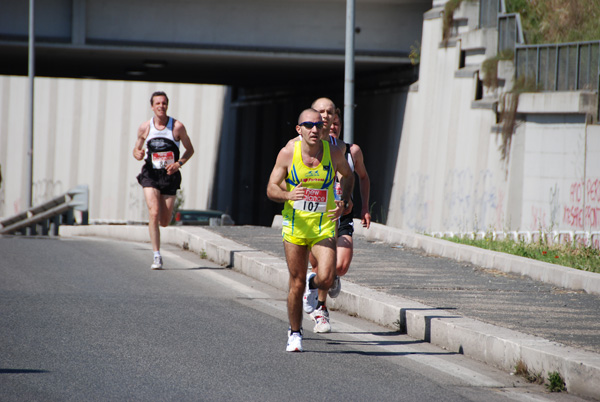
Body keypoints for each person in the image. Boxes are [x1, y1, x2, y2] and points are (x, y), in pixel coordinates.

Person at [267, 108, 354, 352]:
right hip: (295, 226)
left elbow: (349, 175)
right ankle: (295, 333)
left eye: (318, 125)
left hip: (323, 225)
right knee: (295, 284)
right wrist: (287, 194)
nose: (314, 130)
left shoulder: (334, 153)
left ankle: (312, 282)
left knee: (327, 277)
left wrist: (344, 201)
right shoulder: (288, 153)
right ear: (299, 129)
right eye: (308, 125)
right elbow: (270, 187)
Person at [133, 91, 194, 270]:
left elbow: (190, 150)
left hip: (169, 175)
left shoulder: (177, 127)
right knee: (153, 212)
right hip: (150, 174)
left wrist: (178, 163)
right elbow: (136, 150)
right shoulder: (145, 127)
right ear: (152, 107)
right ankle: (156, 255)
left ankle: (159, 231)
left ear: (167, 105)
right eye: (157, 103)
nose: (161, 106)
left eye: (164, 103)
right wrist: (138, 153)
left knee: (165, 220)